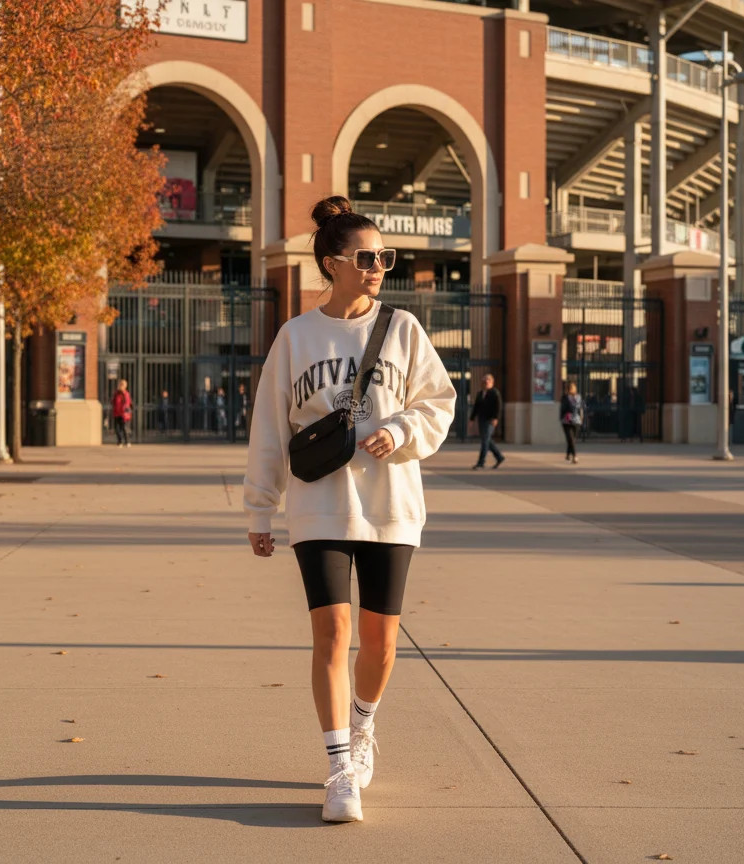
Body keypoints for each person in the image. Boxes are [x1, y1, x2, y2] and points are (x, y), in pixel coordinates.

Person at [244, 196, 456, 824]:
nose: (378, 267)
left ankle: (364, 725)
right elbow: (268, 428)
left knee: (380, 644)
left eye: (385, 258)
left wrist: (402, 432)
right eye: (368, 257)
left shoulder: (404, 329)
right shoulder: (296, 336)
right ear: (333, 263)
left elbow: (439, 403)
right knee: (332, 633)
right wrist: (260, 508)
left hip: (391, 504)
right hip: (320, 508)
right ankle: (340, 767)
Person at [470, 373, 504, 469]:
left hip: (490, 420)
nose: (486, 382)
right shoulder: (480, 393)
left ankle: (481, 463)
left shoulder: (495, 393)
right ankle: (499, 457)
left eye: (488, 381)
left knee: (485, 441)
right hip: (482, 419)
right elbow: (476, 407)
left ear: (492, 382)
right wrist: (472, 419)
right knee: (487, 440)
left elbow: (498, 407)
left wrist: (495, 418)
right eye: (484, 381)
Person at [560, 381, 583, 464]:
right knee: (570, 438)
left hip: (576, 421)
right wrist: (562, 418)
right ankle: (575, 456)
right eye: (570, 387)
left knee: (573, 440)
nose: (572, 389)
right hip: (567, 421)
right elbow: (562, 409)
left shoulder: (579, 397)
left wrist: (581, 417)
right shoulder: (565, 397)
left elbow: (580, 407)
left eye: (573, 387)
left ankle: (567, 455)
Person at [111, 379, 133, 447]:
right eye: (120, 385)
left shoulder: (126, 394)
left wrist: (127, 414)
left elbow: (128, 404)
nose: (121, 386)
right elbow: (113, 402)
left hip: (124, 414)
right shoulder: (116, 393)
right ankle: (119, 441)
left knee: (124, 428)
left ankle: (127, 441)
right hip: (117, 413)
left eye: (123, 385)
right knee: (117, 428)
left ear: (125, 386)